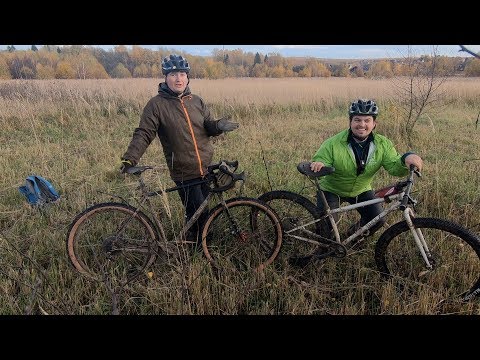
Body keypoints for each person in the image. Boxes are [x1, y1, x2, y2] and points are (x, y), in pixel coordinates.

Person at [120, 54, 239, 244]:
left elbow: (206, 126)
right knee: (199, 213)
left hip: (205, 167)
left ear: (188, 77)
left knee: (200, 212)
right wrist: (130, 158)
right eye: (174, 74)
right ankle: (198, 251)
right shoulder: (156, 105)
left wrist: (218, 126)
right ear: (165, 77)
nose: (179, 78)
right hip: (184, 171)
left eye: (183, 74)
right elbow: (144, 133)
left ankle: (196, 242)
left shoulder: (196, 101)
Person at [310, 98, 423, 244]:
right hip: (331, 189)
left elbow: (394, 166)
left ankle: (350, 240)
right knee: (325, 228)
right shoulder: (333, 143)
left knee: (378, 219)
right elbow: (321, 158)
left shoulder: (383, 144)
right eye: (357, 120)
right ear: (350, 122)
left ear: (374, 124)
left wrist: (407, 157)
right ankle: (324, 248)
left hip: (361, 189)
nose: (362, 124)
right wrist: (319, 164)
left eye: (367, 120)